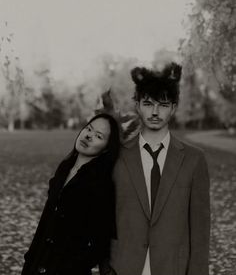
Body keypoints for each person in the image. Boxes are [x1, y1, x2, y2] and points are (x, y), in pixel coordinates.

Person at [109, 63, 210, 275]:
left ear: (173, 107)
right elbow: (104, 218)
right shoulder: (116, 156)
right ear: (137, 105)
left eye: (163, 105)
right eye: (147, 103)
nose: (155, 112)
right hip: (123, 267)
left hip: (173, 267)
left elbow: (200, 230)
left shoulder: (194, 159)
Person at [21, 113, 120, 275]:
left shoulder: (101, 184)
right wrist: (30, 260)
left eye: (98, 136)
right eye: (89, 129)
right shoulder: (64, 168)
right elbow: (46, 220)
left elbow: (101, 240)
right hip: (36, 263)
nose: (88, 136)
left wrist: (73, 266)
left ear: (106, 148)